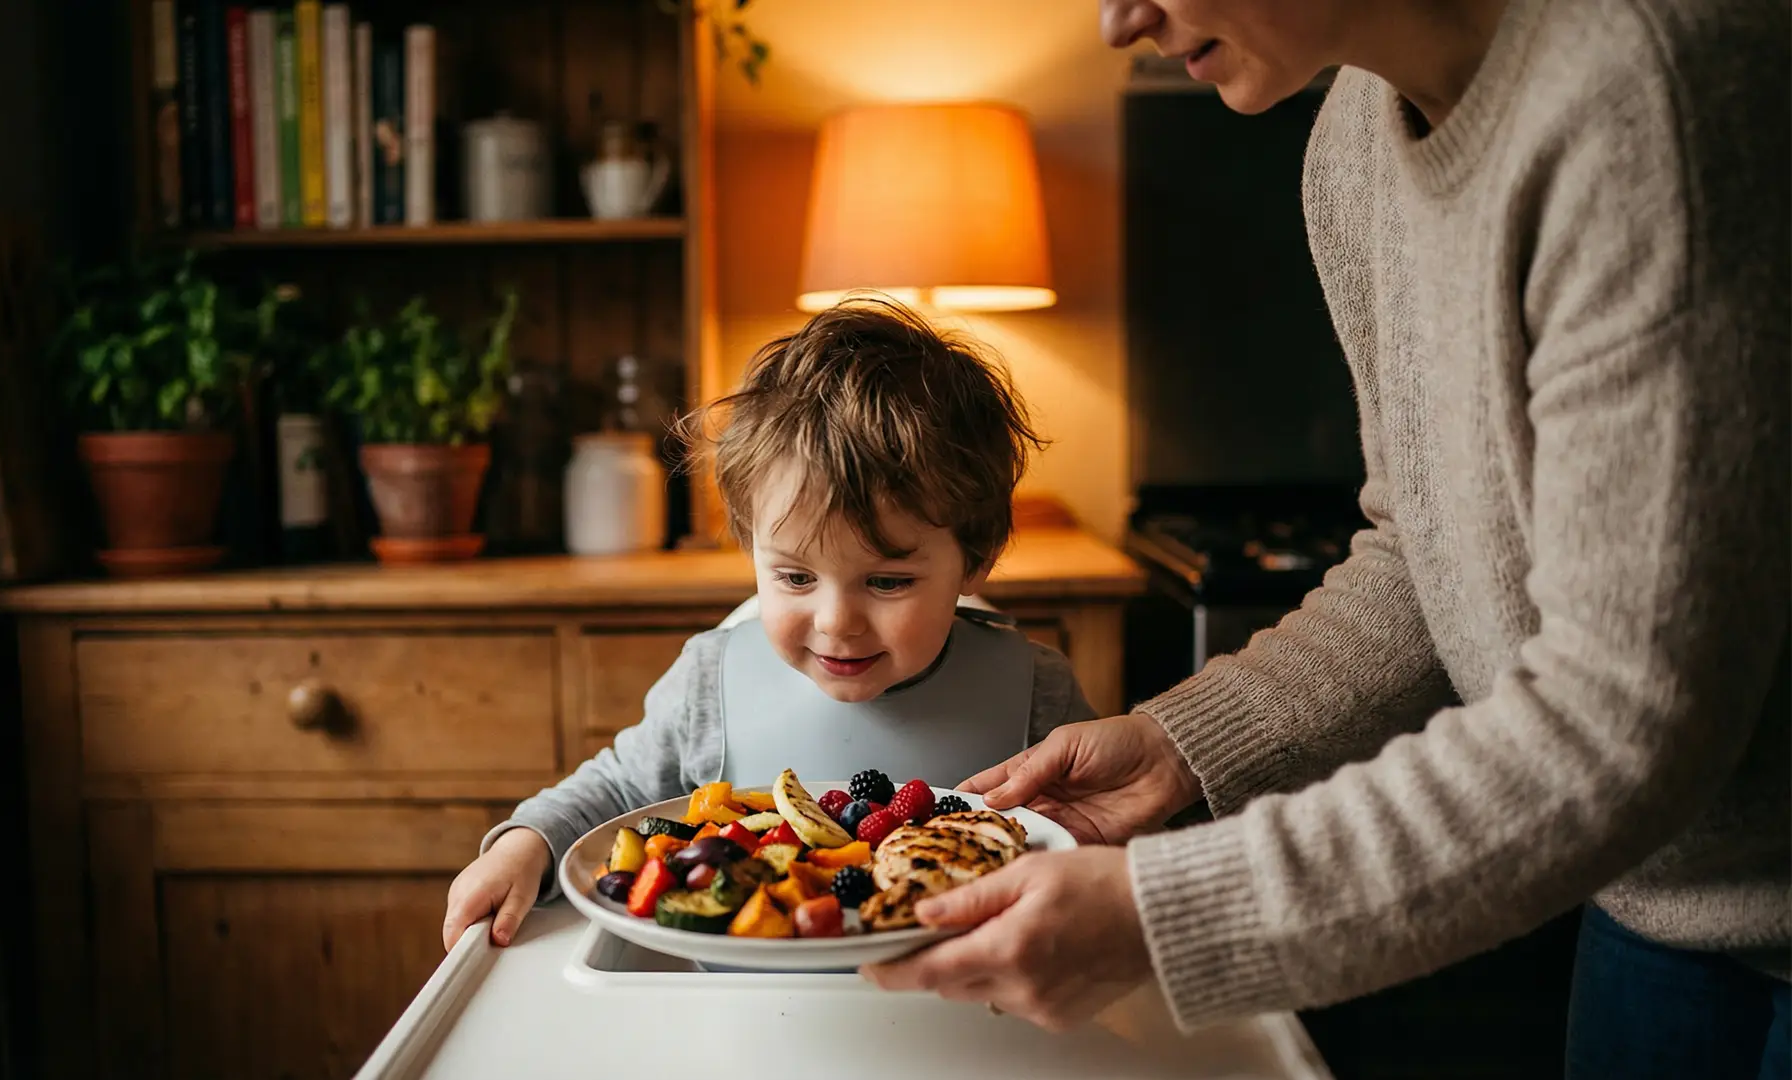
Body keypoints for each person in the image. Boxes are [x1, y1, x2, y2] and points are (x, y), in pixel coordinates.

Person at [863, 1, 1790, 1077]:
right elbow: (1424, 552)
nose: (1121, 21)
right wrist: (1179, 746)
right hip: (1657, 904)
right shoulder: (1353, 140)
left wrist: (1167, 914)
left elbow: (1621, 718)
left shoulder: (1648, 91)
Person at [441, 297, 1097, 951]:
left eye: (888, 582)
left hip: (975, 1010)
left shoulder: (1038, 694)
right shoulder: (708, 682)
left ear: (974, 560)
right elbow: (615, 788)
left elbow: (1103, 844)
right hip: (742, 1008)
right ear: (752, 547)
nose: (837, 623)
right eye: (796, 578)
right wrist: (524, 846)